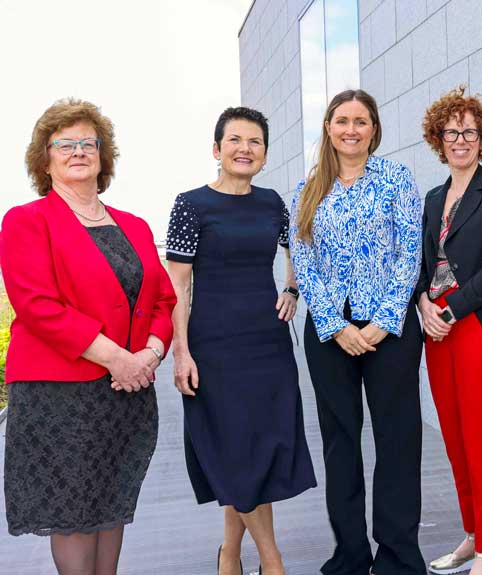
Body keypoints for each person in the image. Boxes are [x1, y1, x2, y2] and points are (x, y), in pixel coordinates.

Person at [0, 98, 176, 575]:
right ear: (45, 159)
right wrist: (118, 359)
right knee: (74, 513)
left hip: (125, 394)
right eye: (65, 144)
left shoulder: (135, 226)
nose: (78, 151)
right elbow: (38, 306)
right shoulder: (26, 220)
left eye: (88, 143)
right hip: (60, 394)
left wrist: (150, 355)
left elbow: (162, 301)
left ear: (104, 156)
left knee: (110, 501)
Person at [166, 107, 316, 575]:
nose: (244, 148)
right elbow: (176, 287)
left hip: (267, 345)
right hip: (214, 346)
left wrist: (291, 287)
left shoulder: (274, 203)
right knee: (235, 452)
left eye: (254, 142)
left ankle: (229, 555)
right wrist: (181, 351)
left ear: (265, 154)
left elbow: (300, 248)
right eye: (235, 140)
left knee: (255, 452)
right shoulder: (191, 204)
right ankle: (273, 563)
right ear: (217, 149)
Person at [289, 89, 424, 575]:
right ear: (328, 127)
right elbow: (303, 262)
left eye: (361, 121)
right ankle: (349, 555)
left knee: (398, 441)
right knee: (340, 443)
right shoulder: (307, 189)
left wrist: (383, 322)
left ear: (374, 129)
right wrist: (335, 325)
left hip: (390, 330)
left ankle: (399, 558)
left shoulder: (396, 179)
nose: (351, 129)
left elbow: (411, 252)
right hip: (330, 336)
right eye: (342, 120)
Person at [416, 86, 482, 575]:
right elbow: (423, 264)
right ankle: (473, 533)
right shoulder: (434, 196)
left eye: (469, 132)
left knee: (480, 436)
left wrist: (449, 309)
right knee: (455, 437)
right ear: (440, 138)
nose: (460, 139)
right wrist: (423, 305)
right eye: (452, 131)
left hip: (478, 324)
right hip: (437, 328)